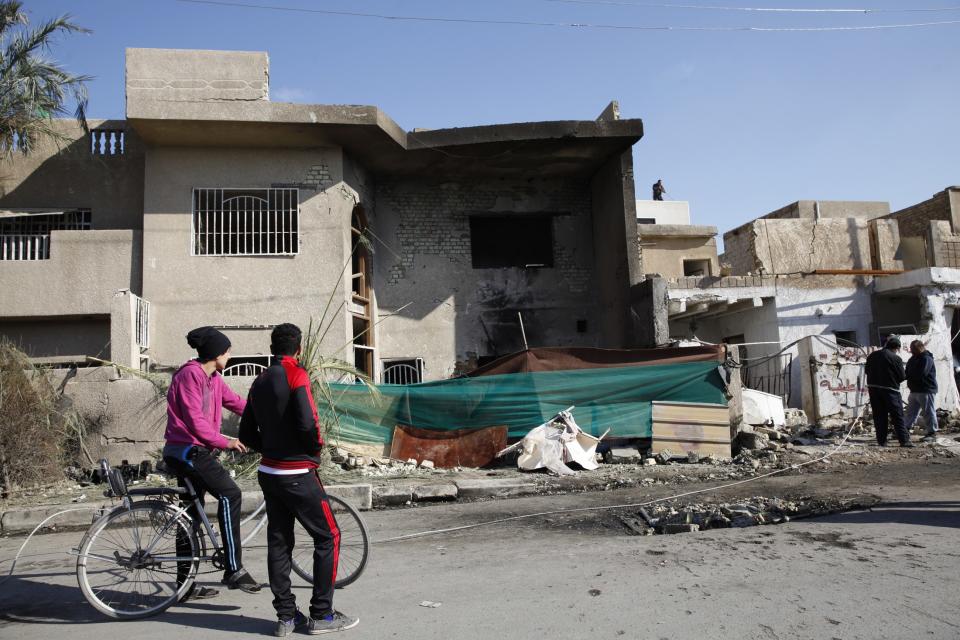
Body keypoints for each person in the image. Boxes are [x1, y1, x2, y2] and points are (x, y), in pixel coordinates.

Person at [239, 323, 358, 636]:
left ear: (272, 347)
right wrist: (312, 451)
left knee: (279, 541)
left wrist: (272, 450)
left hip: (268, 472)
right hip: (297, 472)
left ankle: (285, 618)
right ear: (299, 348)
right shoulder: (297, 375)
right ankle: (322, 615)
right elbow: (309, 424)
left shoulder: (259, 380)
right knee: (329, 535)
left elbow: (246, 433)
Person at [162, 326, 262, 598]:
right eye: (228, 351)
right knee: (230, 494)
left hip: (196, 451)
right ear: (217, 353)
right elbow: (194, 421)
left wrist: (266, 416)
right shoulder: (189, 375)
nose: (229, 356)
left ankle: (185, 587)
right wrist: (224, 441)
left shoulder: (214, 378)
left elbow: (237, 402)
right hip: (187, 451)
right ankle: (233, 568)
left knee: (190, 519)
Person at [865, 336, 912, 448]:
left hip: (874, 390)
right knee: (897, 416)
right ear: (897, 348)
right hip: (890, 391)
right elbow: (901, 377)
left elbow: (867, 371)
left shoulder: (872, 355)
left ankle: (882, 441)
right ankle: (904, 441)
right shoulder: (896, 358)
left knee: (879, 416)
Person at [905, 339, 939, 443]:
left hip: (926, 389)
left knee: (928, 412)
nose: (912, 351)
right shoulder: (913, 359)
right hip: (914, 390)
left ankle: (932, 433)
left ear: (920, 348)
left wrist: (910, 375)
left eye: (914, 349)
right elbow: (907, 372)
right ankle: (905, 430)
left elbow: (921, 373)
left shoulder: (926, 358)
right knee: (911, 412)